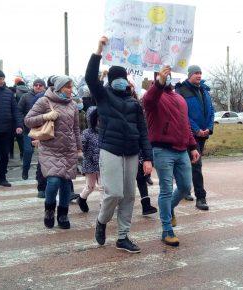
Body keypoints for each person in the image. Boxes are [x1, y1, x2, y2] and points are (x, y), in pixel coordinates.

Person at [85, 36, 153, 253]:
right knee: (114, 193)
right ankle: (102, 221)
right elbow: (90, 78)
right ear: (111, 81)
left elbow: (143, 131)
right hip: (110, 151)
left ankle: (123, 237)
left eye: (123, 78)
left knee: (129, 196)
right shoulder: (103, 96)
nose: (121, 81)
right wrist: (98, 50)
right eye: (117, 78)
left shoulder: (134, 103)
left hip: (132, 153)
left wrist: (148, 158)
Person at [143, 65, 200, 247]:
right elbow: (149, 101)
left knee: (184, 187)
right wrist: (159, 83)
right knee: (166, 190)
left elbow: (185, 125)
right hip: (162, 150)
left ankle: (170, 210)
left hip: (182, 150)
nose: (168, 77)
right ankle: (167, 229)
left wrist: (192, 146)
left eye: (169, 75)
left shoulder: (179, 98)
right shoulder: (153, 96)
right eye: (163, 76)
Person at [25, 76, 82, 229]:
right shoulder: (44, 101)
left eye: (71, 87)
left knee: (65, 183)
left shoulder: (73, 105)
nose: (70, 90)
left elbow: (76, 128)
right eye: (67, 87)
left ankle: (63, 214)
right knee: (54, 181)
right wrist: (45, 116)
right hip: (50, 148)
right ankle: (49, 210)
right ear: (59, 87)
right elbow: (28, 120)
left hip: (68, 149)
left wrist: (79, 148)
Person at [175, 65, 214, 210]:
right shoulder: (181, 90)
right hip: (189, 134)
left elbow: (211, 110)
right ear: (190, 75)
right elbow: (182, 114)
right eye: (196, 73)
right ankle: (201, 197)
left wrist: (209, 128)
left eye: (200, 73)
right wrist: (196, 129)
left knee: (191, 164)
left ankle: (184, 190)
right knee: (196, 165)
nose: (199, 75)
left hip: (203, 134)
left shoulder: (205, 90)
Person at [128, 75, 157, 216]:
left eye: (130, 85)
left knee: (140, 176)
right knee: (125, 180)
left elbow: (142, 125)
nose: (128, 87)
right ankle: (118, 205)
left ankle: (146, 205)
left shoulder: (138, 103)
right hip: (123, 146)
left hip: (138, 143)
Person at [18, 78, 46, 180]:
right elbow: (19, 111)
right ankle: (25, 170)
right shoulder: (25, 97)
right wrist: (23, 123)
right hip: (28, 129)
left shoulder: (47, 97)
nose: (38, 87)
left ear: (44, 86)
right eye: (36, 85)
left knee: (43, 153)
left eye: (40, 85)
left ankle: (40, 175)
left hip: (43, 130)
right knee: (28, 151)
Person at [77, 106, 102, 213]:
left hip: (103, 163)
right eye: (97, 118)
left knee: (103, 186)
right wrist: (81, 153)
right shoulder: (86, 133)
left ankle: (103, 206)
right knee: (90, 186)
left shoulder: (104, 131)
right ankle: (81, 199)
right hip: (90, 163)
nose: (99, 121)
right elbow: (81, 146)